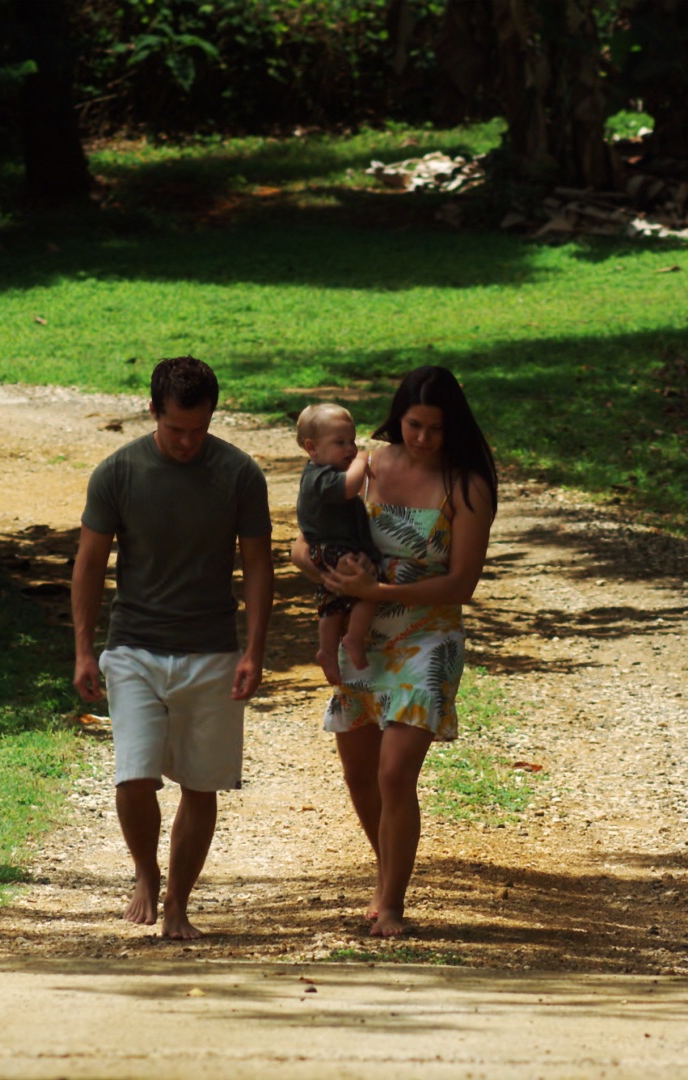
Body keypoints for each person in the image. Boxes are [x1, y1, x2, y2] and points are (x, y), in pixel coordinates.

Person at [291, 365, 498, 938]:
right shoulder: (367, 465)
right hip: (365, 637)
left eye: (435, 429)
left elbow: (462, 585)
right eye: (413, 425)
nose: (423, 439)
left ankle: (391, 903)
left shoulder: (467, 485)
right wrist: (319, 567)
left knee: (393, 772)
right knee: (359, 775)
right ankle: (387, 874)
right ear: (398, 418)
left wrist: (374, 590)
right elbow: (303, 536)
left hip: (429, 636)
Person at [71, 355, 273, 940]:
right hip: (134, 645)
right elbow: (88, 566)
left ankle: (179, 902)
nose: (187, 441)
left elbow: (258, 567)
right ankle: (144, 874)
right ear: (153, 411)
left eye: (199, 429)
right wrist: (85, 650)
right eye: (175, 428)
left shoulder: (239, 475)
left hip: (212, 649)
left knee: (199, 782)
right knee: (133, 775)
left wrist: (254, 651)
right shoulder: (118, 472)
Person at [294, 402, 381, 686]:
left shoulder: (319, 473)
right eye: (340, 443)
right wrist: (362, 461)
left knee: (332, 603)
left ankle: (327, 651)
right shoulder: (321, 476)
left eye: (353, 441)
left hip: (324, 551)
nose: (351, 449)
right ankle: (354, 639)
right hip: (333, 549)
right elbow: (350, 487)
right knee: (369, 587)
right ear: (312, 448)